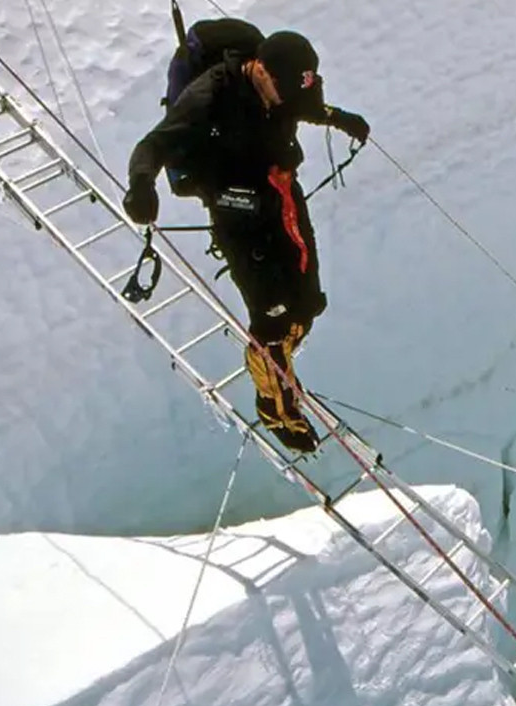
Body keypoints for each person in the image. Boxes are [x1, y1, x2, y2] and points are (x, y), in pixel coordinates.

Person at [121, 28, 370, 454]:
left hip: (278, 193)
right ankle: (275, 407)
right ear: (259, 69)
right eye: (279, 90)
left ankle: (279, 363)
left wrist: (339, 118)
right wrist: (142, 185)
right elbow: (154, 145)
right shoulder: (212, 94)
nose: (283, 100)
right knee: (271, 317)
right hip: (234, 210)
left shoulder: (290, 85)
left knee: (306, 302)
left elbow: (309, 106)